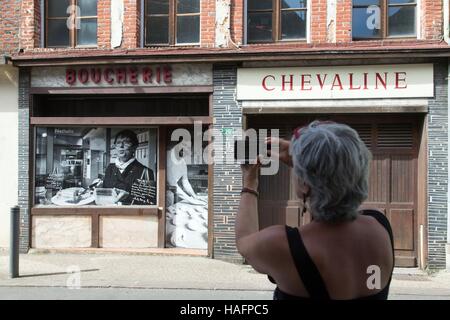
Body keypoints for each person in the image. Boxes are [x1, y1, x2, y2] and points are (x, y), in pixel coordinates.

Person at [236, 121, 394, 300]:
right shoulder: (379, 224)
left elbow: (243, 241)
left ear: (304, 184)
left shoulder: (283, 245)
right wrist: (304, 160)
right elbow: (342, 195)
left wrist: (250, 181)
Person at [103, 129, 154, 205]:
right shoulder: (110, 168)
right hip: (109, 214)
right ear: (115, 147)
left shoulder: (145, 172)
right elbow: (104, 195)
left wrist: (127, 196)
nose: (121, 146)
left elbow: (148, 203)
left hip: (132, 215)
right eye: (118, 143)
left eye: (126, 143)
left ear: (134, 147)